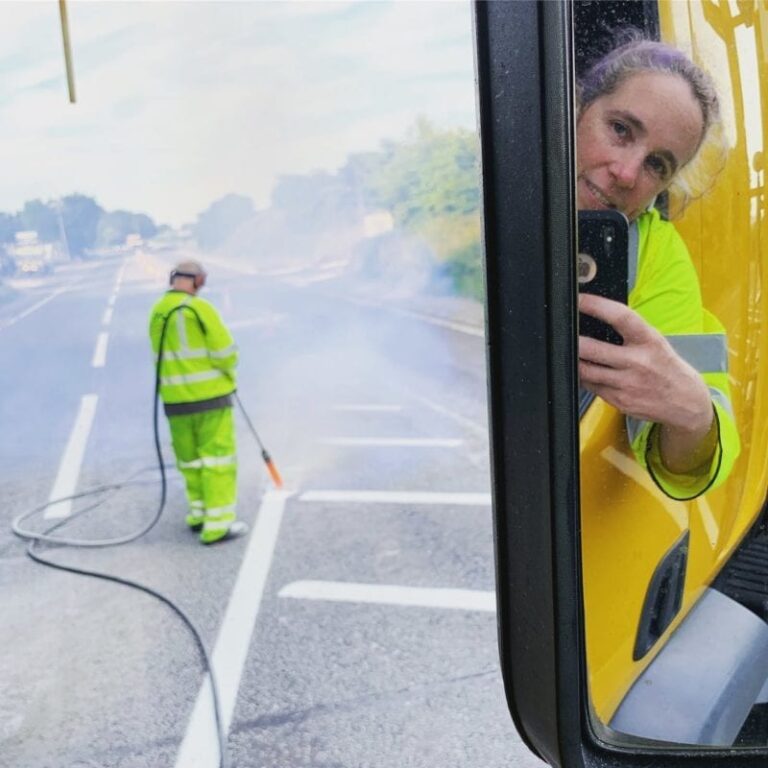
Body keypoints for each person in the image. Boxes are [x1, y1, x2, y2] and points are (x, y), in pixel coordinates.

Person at [576, 37, 740, 500]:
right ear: (577, 108)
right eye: (622, 129)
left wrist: (693, 416)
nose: (626, 173)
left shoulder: (655, 254)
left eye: (657, 164)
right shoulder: (492, 177)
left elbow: (686, 464)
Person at [148, 260, 247, 543]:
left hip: (175, 404)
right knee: (218, 461)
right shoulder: (199, 309)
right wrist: (228, 375)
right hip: (210, 400)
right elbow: (225, 353)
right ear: (197, 281)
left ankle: (199, 514)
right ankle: (217, 525)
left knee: (189, 462)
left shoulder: (157, 312)